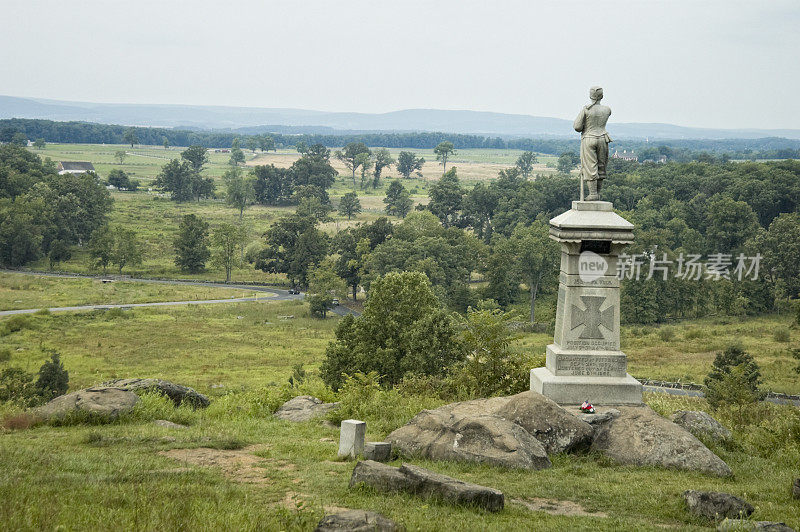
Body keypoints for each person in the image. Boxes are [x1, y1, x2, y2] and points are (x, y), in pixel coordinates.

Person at [573, 86, 612, 201]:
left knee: (591, 166)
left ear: (590, 96)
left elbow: (577, 127)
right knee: (601, 165)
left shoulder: (586, 109)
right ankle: (597, 193)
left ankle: (593, 193)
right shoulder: (607, 110)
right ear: (602, 96)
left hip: (589, 138)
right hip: (603, 139)